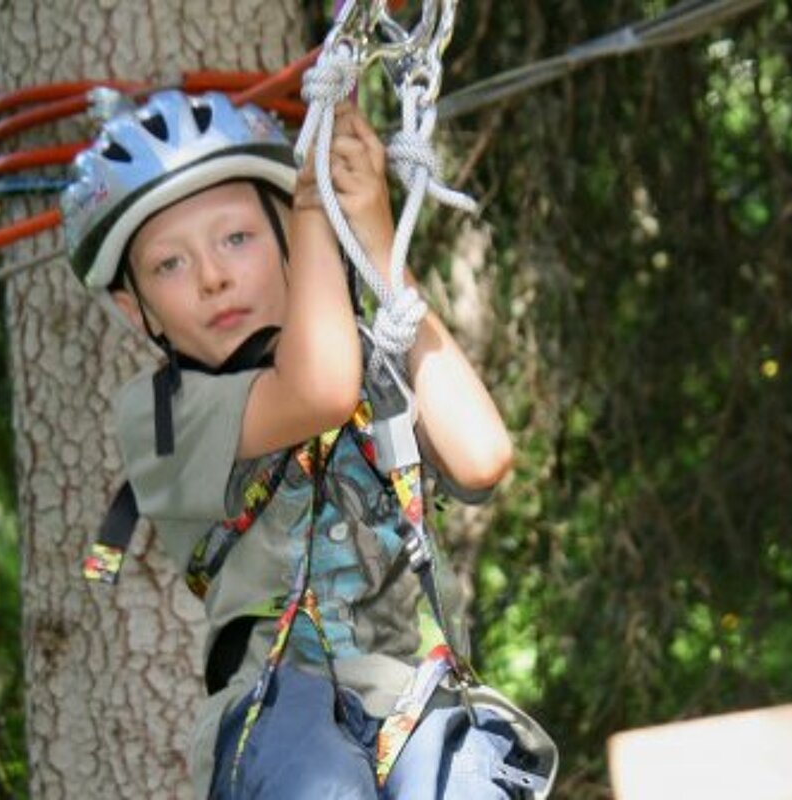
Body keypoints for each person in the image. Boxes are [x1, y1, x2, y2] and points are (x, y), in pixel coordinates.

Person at [62, 89, 557, 799]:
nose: (213, 277)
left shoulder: (369, 356)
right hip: (279, 706)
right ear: (132, 307)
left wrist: (382, 250)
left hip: (417, 695)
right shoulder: (162, 414)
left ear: (288, 244)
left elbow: (482, 458)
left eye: (239, 238)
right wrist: (316, 210)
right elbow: (318, 391)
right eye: (169, 265)